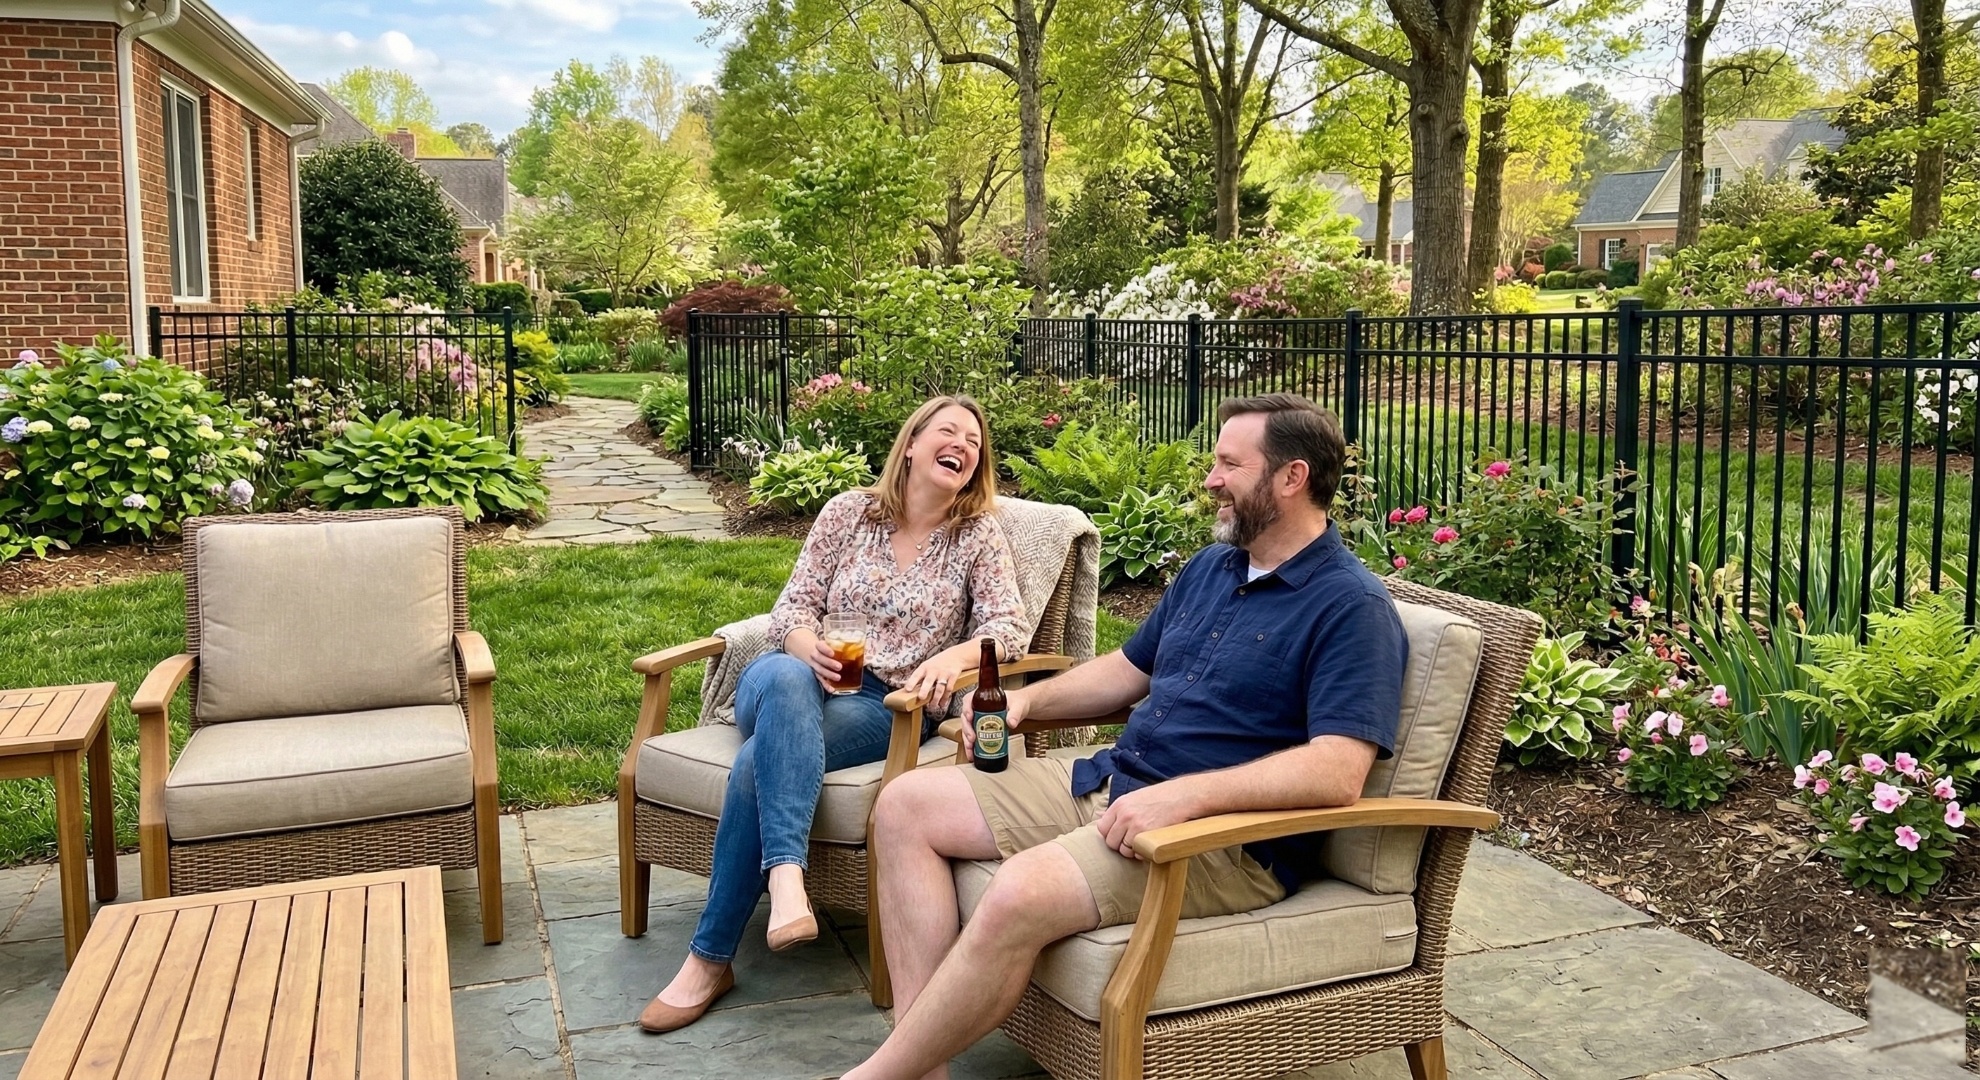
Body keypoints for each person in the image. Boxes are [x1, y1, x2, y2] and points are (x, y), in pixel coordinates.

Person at [842, 393, 1408, 1080]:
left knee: (1019, 889)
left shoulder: (1351, 607)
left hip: (1223, 843)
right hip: (1115, 781)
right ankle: (920, 1062)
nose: (1211, 479)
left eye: (1230, 463)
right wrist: (1027, 706)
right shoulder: (1213, 568)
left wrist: (1185, 800)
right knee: (904, 806)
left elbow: (1337, 771)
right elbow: (1126, 671)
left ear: (1291, 478)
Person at [639, 395, 1032, 1034]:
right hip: (790, 675)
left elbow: (1007, 628)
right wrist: (807, 647)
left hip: (884, 703)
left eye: (974, 440)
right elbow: (791, 609)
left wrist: (953, 657)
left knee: (756, 763)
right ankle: (786, 883)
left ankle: (710, 958)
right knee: (787, 677)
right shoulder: (847, 513)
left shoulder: (977, 536)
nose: (963, 443)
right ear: (911, 444)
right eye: (947, 431)